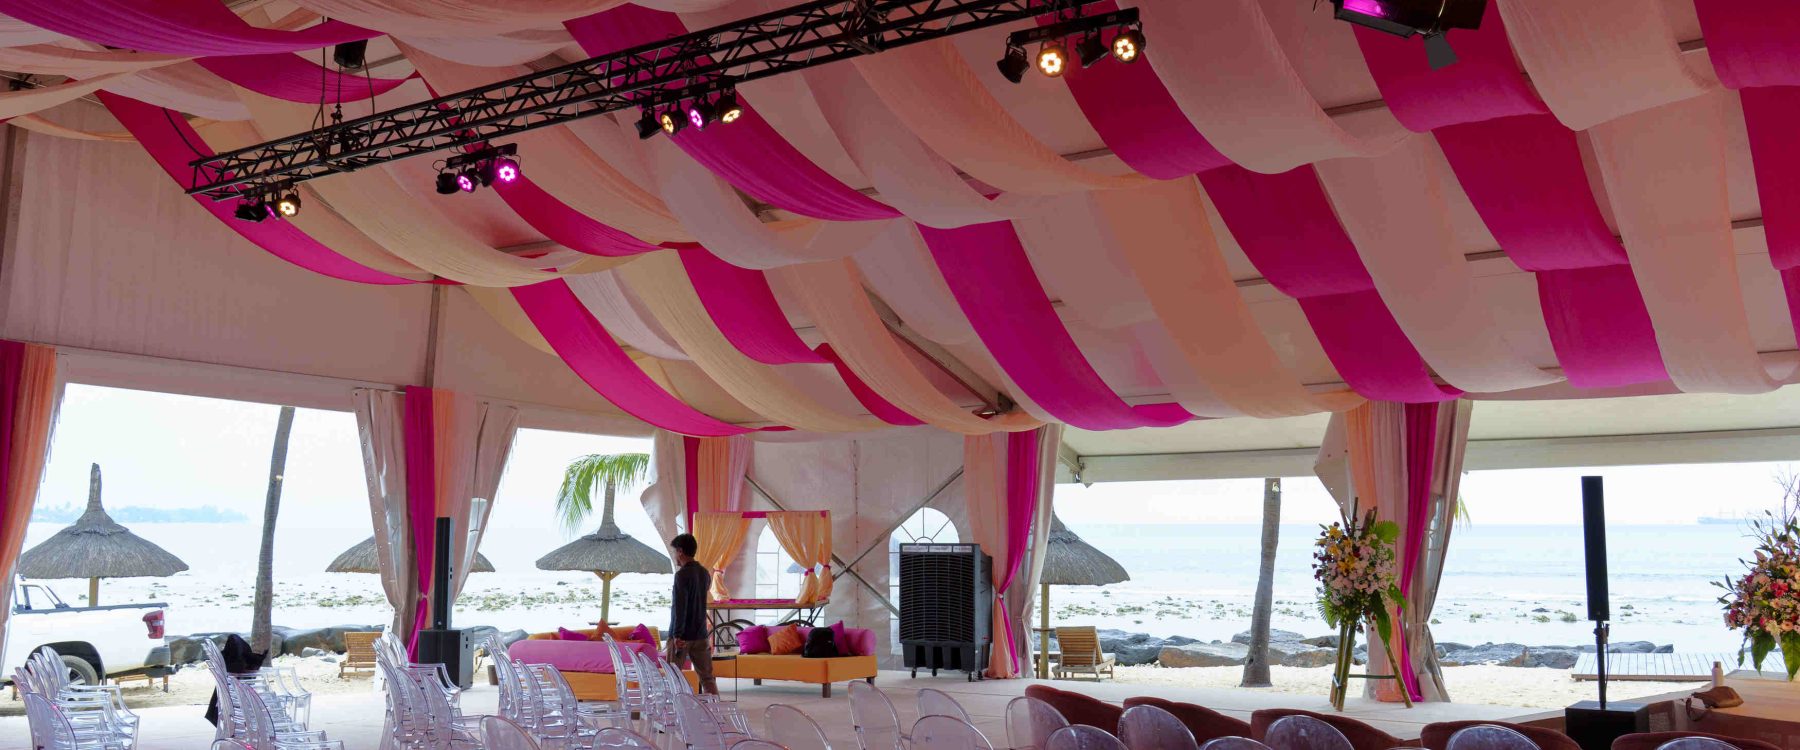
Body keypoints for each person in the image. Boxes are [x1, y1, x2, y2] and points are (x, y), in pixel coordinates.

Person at [666, 533, 716, 695]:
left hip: (682, 636)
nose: (674, 556)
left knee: (673, 676)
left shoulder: (681, 575)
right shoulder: (704, 573)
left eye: (674, 552)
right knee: (707, 678)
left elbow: (680, 606)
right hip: (701, 634)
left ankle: (676, 713)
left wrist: (677, 634)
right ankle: (715, 712)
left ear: (680, 551)